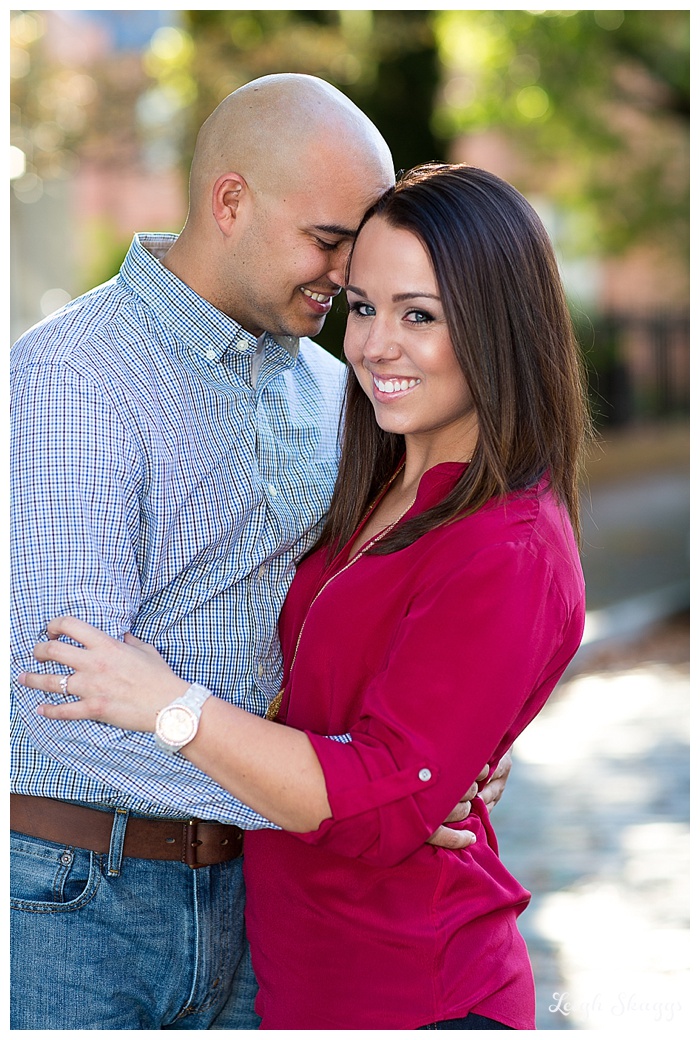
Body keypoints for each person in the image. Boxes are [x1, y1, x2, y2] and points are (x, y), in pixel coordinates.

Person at [20, 162, 589, 1030]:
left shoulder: (508, 545)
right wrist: (394, 777)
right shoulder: (378, 475)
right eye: (363, 307)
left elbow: (384, 798)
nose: (374, 345)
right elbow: (370, 743)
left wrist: (175, 709)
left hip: (412, 990)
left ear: (500, 325)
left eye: (420, 316)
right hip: (292, 977)